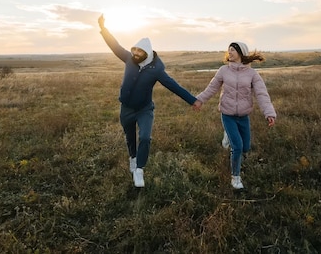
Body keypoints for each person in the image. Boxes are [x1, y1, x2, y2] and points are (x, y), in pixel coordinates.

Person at [98, 14, 200, 188]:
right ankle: (133, 158)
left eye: (139, 51)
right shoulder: (129, 59)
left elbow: (172, 85)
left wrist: (192, 100)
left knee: (144, 137)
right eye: (134, 50)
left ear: (147, 53)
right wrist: (103, 28)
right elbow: (114, 45)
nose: (136, 53)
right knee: (130, 137)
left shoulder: (156, 69)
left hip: (145, 109)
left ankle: (139, 170)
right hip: (127, 108)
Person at [194, 42, 276, 190]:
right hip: (227, 114)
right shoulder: (223, 70)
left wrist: (269, 113)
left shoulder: (252, 74)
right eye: (228, 50)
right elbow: (211, 88)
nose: (229, 52)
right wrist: (199, 100)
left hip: (244, 116)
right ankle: (235, 177)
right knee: (237, 147)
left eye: (232, 50)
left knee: (245, 147)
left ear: (240, 53)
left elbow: (262, 94)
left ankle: (227, 136)